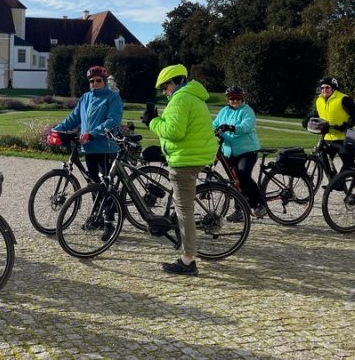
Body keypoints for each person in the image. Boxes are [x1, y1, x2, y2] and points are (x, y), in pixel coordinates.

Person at [142, 64, 216, 276]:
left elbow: (174, 132)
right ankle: (187, 252)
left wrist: (152, 122)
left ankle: (188, 260)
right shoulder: (193, 96)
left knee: (184, 211)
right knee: (183, 206)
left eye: (165, 88)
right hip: (194, 155)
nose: (164, 93)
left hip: (185, 160)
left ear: (175, 83)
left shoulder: (181, 99)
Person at [53, 65, 124, 240]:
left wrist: (93, 133)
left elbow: (113, 120)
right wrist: (55, 130)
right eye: (91, 81)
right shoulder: (85, 98)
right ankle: (97, 217)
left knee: (106, 186)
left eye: (98, 81)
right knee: (93, 184)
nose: (94, 84)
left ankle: (110, 222)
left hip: (106, 147)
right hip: (90, 149)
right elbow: (73, 118)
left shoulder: (112, 97)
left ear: (104, 81)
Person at [213, 86, 266, 221]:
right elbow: (214, 124)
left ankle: (259, 204)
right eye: (232, 98)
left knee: (243, 176)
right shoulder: (224, 111)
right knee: (234, 182)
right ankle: (240, 210)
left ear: (242, 99)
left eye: (237, 98)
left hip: (247, 150)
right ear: (228, 100)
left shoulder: (247, 111)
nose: (235, 101)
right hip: (229, 151)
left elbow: (245, 127)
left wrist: (230, 127)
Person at [304, 76, 355, 173]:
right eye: (322, 88)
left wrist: (346, 125)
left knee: (349, 164)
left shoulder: (343, 99)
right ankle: (334, 182)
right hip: (327, 137)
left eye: (327, 87)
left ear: (333, 88)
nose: (324, 90)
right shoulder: (319, 100)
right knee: (323, 161)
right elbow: (316, 113)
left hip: (344, 138)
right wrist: (306, 120)